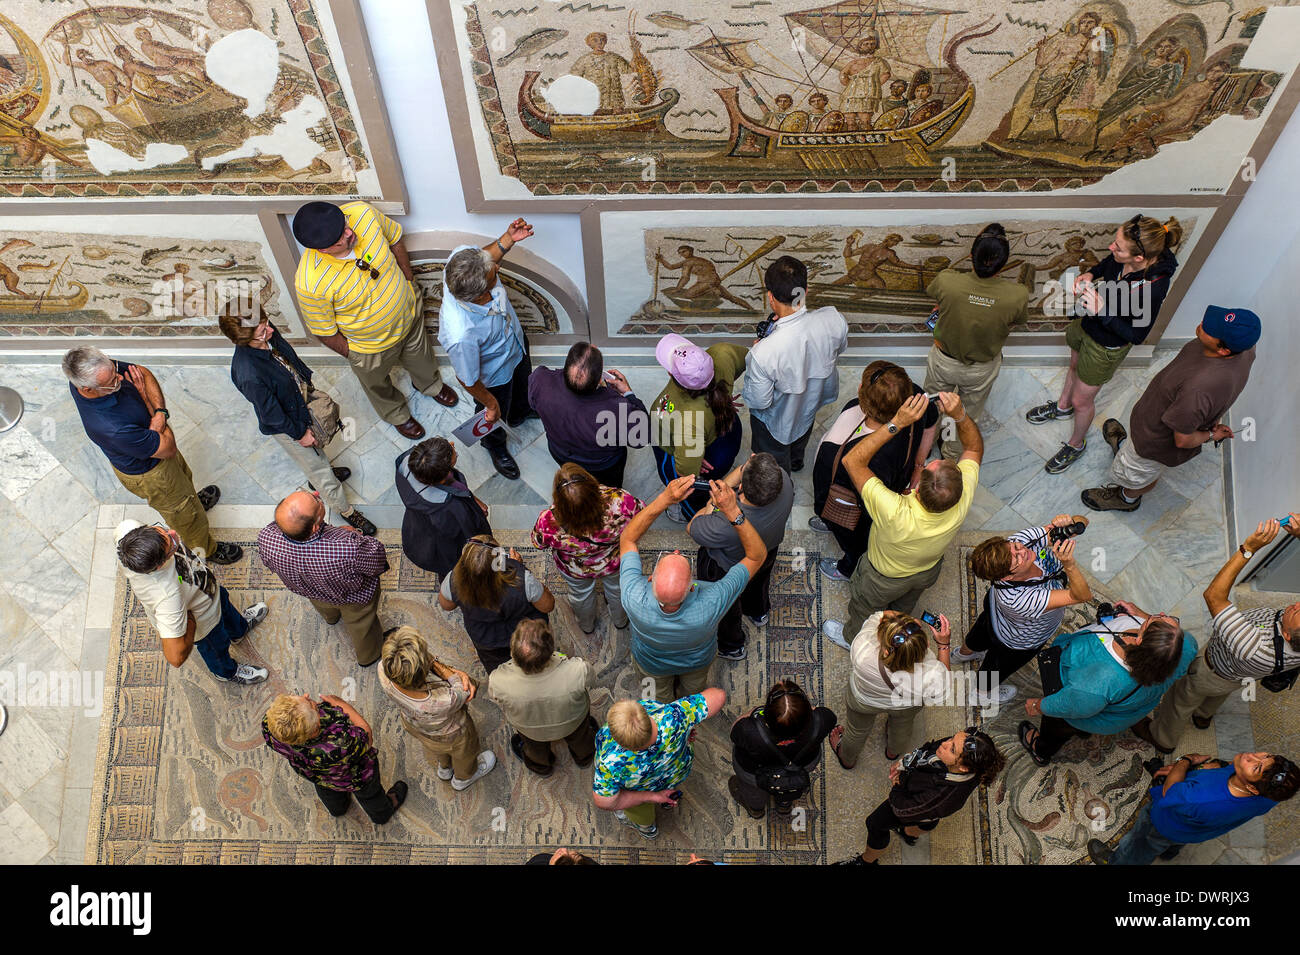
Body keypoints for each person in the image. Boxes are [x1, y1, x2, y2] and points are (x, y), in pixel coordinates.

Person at [822, 392, 983, 648]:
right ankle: (898, 622)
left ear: (917, 489)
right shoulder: (961, 498)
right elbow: (973, 448)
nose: (934, 458)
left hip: (882, 577)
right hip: (926, 571)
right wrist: (960, 415)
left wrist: (897, 422)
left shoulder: (893, 509)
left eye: (932, 463)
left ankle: (852, 639)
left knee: (863, 606)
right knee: (905, 604)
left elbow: (852, 460)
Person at [1026, 215, 1183, 473]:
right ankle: (1062, 408)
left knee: (1083, 402)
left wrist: (1104, 312)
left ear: (1139, 259)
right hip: (1086, 325)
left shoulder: (1152, 288)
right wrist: (1091, 273)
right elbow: (1108, 262)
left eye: (1118, 247)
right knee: (1074, 366)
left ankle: (1076, 445)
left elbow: (1137, 335)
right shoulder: (1122, 258)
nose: (1111, 247)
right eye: (1114, 241)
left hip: (1105, 345)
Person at [291, 200, 459, 441]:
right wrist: (354, 354)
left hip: (408, 316)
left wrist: (409, 281)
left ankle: (430, 386)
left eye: (345, 224)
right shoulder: (310, 282)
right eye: (341, 237)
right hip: (369, 347)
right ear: (323, 250)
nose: (350, 233)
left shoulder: (363, 213)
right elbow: (324, 330)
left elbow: (395, 240)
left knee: (422, 358)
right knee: (377, 385)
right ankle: (397, 414)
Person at [1134, 516, 1300, 753]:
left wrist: (1248, 550)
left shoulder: (1253, 646)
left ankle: (1163, 738)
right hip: (1239, 676)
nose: (1294, 605)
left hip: (1212, 670)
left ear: (1286, 634)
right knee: (1221, 691)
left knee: (1180, 701)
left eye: (1295, 613)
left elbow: (1214, 596)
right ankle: (1203, 716)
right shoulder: (1293, 641)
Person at [65, 347, 241, 564]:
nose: (120, 377)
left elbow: (143, 373)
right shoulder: (111, 427)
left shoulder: (95, 372)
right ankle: (206, 550)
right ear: (87, 389)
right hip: (152, 474)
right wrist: (151, 406)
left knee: (185, 484)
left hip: (153, 451)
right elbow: (168, 447)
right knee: (185, 517)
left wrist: (158, 417)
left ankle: (191, 501)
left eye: (114, 370)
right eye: (112, 380)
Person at [1084, 305, 1259, 512]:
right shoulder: (1245, 349)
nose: (1203, 324)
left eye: (1211, 329)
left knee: (1136, 476)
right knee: (1131, 455)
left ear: (1224, 350)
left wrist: (1212, 434)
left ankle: (1126, 498)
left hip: (1152, 442)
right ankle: (1125, 448)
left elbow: (1183, 440)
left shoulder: (1199, 389)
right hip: (1150, 420)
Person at [219, 310, 375, 536]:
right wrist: (300, 434)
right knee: (319, 469)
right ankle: (346, 511)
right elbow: (271, 415)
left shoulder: (264, 333)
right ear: (244, 339)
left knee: (319, 449)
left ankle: (321, 476)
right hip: (288, 424)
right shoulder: (249, 374)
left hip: (298, 399)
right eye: (263, 331)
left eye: (267, 323)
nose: (271, 331)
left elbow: (286, 359)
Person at [619, 476, 766, 702]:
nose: (677, 551)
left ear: (650, 578)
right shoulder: (712, 601)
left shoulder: (632, 596)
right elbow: (757, 556)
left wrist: (665, 499)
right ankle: (687, 711)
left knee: (658, 699)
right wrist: (733, 511)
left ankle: (664, 709)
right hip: (697, 663)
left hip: (650, 663)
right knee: (693, 694)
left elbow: (628, 539)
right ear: (691, 588)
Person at [1018, 604, 1196, 765]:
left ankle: (1041, 750)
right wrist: (1140, 614)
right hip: (1126, 709)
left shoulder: (1102, 680)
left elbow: (1074, 706)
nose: (1161, 613)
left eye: (1152, 620)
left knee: (1058, 727)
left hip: (1086, 709)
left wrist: (1038, 705)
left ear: (1140, 640)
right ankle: (1079, 731)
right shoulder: (1184, 645)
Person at [810, 362, 938, 581]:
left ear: (861, 391)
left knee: (857, 541)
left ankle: (848, 569)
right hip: (895, 481)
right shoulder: (914, 400)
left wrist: (826, 513)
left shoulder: (837, 454)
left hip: (860, 507)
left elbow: (825, 488)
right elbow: (932, 420)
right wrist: (918, 466)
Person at [953, 515, 1093, 706]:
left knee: (981, 631)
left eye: (1016, 547)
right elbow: (1081, 596)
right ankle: (981, 692)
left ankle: (963, 653)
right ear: (1005, 578)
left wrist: (1070, 522)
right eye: (1017, 558)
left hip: (994, 611)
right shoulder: (1020, 599)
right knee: (995, 667)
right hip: (1016, 639)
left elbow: (1082, 521)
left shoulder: (1019, 542)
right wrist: (1069, 565)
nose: (1023, 551)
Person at [437, 220, 538, 480]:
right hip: (494, 375)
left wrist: (508, 239)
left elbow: (487, 258)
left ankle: (520, 413)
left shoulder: (461, 262)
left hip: (514, 342)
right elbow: (467, 379)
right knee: (494, 413)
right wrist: (491, 405)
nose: (497, 266)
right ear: (481, 296)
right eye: (494, 275)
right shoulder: (461, 334)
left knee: (523, 384)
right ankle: (494, 445)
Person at [114, 519, 268, 684]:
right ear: (159, 566)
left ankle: (239, 631)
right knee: (216, 647)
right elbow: (175, 656)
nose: (173, 533)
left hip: (207, 589)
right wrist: (192, 623)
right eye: (172, 545)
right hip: (205, 623)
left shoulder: (127, 528)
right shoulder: (166, 596)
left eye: (162, 530)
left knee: (227, 608)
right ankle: (226, 672)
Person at [922, 224, 1029, 460]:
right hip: (981, 369)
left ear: (972, 255)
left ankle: (925, 446)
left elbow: (934, 293)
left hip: (944, 362)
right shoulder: (1017, 295)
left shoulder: (947, 281)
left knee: (933, 406)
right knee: (964, 414)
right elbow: (1015, 322)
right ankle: (950, 456)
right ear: (1003, 263)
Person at [1089, 751, 1299, 865]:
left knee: (1139, 843)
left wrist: (1185, 761)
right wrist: (1217, 766)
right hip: (1193, 830)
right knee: (1175, 841)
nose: (1251, 756)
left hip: (1163, 824)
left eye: (1256, 766)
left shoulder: (1198, 799)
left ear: (1252, 788)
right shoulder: (1271, 795)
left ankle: (1120, 862)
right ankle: (1170, 853)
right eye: (1265, 755)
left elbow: (1169, 793)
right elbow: (1230, 768)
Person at [256, 490, 389, 666]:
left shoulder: (266, 537)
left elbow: (269, 564)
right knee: (362, 626)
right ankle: (369, 656)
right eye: (316, 500)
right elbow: (377, 562)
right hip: (353, 599)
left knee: (324, 605)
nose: (317, 493)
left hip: (312, 592)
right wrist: (356, 536)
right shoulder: (349, 546)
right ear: (315, 527)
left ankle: (331, 618)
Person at [742, 255, 848, 474]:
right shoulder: (834, 319)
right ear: (805, 290)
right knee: (802, 430)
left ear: (770, 297)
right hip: (810, 403)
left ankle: (781, 483)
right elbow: (840, 349)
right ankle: (797, 461)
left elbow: (759, 401)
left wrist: (762, 350)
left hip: (777, 421)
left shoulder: (763, 353)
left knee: (773, 458)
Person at [837, 729, 1005, 864]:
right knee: (927, 818)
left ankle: (866, 862)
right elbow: (929, 748)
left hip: (913, 802)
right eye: (952, 739)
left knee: (874, 823)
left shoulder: (942, 797)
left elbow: (902, 809)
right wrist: (906, 762)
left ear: (963, 768)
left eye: (952, 748)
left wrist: (898, 783)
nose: (945, 743)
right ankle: (911, 833)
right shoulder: (967, 746)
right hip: (927, 808)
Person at [688, 452, 793, 659]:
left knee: (726, 607)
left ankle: (731, 645)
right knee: (759, 582)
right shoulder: (785, 481)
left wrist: (714, 503)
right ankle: (758, 612)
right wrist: (750, 467)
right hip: (769, 549)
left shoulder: (723, 525)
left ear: (742, 488)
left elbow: (693, 526)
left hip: (728, 566)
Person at [591, 688, 727, 839]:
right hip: (674, 772)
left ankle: (647, 830)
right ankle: (668, 801)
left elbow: (605, 802)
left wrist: (653, 797)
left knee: (641, 815)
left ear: (618, 739)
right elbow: (718, 696)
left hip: (639, 790)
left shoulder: (609, 762)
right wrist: (685, 731)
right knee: (671, 787)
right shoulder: (673, 717)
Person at [377, 626, 496, 791]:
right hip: (453, 734)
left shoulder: (383, 669)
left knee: (436, 748)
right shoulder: (444, 700)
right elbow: (464, 689)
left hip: (416, 726)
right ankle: (463, 778)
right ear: (423, 669)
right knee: (464, 755)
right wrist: (452, 672)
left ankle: (445, 768)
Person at [829, 611, 952, 769]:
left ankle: (847, 759)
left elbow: (879, 615)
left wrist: (904, 621)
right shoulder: (930, 671)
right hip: (905, 705)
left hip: (864, 700)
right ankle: (893, 752)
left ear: (886, 650)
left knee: (856, 731)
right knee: (902, 726)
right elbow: (944, 687)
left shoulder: (863, 648)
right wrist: (943, 645)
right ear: (925, 645)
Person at [262, 693, 408, 823]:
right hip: (357, 777)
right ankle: (381, 815)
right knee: (370, 795)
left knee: (328, 792)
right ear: (315, 729)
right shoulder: (341, 742)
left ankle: (338, 809)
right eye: (312, 705)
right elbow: (367, 737)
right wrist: (342, 704)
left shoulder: (270, 727)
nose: (307, 695)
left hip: (318, 776)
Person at [531, 464, 642, 634]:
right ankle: (620, 621)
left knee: (580, 596)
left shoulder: (548, 522)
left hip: (575, 569)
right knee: (617, 591)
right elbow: (642, 516)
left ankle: (586, 625)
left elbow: (538, 543)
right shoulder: (620, 502)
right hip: (614, 562)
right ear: (591, 484)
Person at [651, 333, 748, 522]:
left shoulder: (690, 422)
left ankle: (690, 514)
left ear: (672, 374)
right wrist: (724, 400)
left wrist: (692, 454)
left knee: (690, 493)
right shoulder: (722, 354)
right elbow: (752, 359)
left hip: (703, 449)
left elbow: (686, 475)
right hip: (726, 433)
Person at [528, 342, 648, 489]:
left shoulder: (540, 379)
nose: (593, 345)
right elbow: (642, 437)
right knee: (607, 492)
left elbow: (533, 404)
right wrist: (628, 394)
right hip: (602, 467)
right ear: (599, 380)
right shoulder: (616, 409)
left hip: (560, 453)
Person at [488, 619, 597, 776]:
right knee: (581, 739)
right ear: (550, 648)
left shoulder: (498, 680)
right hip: (573, 721)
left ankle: (541, 767)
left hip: (530, 729)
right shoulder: (578, 670)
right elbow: (593, 681)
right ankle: (585, 758)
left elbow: (495, 697)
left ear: (512, 651)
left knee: (534, 749)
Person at [438, 534, 555, 674]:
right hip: (524, 634)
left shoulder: (453, 581)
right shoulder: (523, 580)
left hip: (485, 638)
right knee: (534, 662)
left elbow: (447, 605)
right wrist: (517, 567)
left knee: (496, 668)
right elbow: (547, 605)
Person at [729, 679, 836, 818]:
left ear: (767, 714)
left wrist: (755, 712)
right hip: (801, 765)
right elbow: (827, 716)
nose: (779, 680)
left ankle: (756, 810)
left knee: (754, 792)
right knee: (789, 785)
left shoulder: (749, 730)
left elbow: (734, 732)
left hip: (754, 772)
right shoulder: (822, 719)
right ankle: (784, 806)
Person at [395, 436, 491, 578]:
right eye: (451, 451)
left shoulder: (411, 462)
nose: (452, 444)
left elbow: (455, 488)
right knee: (456, 564)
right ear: (443, 478)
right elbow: (469, 531)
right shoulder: (448, 506)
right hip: (444, 542)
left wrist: (472, 499)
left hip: (417, 525)